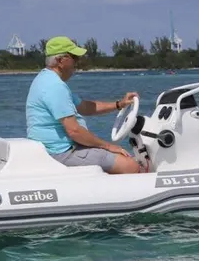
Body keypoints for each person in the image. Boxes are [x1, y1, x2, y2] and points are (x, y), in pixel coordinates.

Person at [25, 36, 142, 174]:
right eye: (74, 58)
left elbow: (85, 107)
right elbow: (74, 131)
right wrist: (108, 146)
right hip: (61, 153)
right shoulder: (54, 86)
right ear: (60, 61)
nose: (77, 62)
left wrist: (119, 104)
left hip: (55, 149)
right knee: (131, 166)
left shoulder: (45, 79)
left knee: (121, 159)